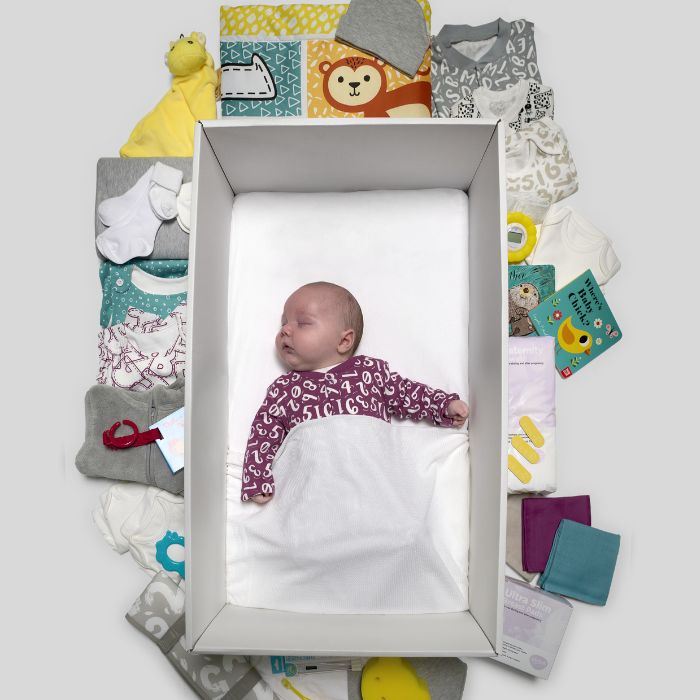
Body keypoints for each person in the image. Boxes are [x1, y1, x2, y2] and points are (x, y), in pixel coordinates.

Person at [241, 281, 470, 503]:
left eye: (302, 323)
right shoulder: (284, 389)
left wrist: (443, 405)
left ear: (344, 340)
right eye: (283, 324)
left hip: (372, 478)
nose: (285, 330)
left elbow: (407, 393)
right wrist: (257, 476)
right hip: (316, 488)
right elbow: (263, 434)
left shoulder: (369, 373)